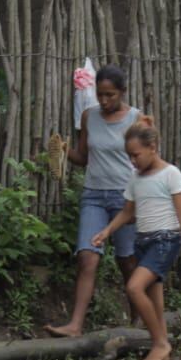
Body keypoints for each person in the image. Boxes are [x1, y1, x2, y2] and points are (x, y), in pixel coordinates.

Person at [91, 120, 181, 360]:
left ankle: (160, 344)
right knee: (156, 307)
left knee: (134, 288)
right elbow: (128, 212)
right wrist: (107, 231)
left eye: (136, 155)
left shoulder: (171, 174)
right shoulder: (135, 178)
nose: (133, 161)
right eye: (129, 156)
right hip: (144, 242)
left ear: (153, 148)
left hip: (165, 241)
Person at [45, 66, 140, 337]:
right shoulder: (89, 117)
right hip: (94, 195)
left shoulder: (136, 119)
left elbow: (145, 160)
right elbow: (84, 157)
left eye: (110, 95)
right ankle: (75, 325)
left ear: (122, 92)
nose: (104, 100)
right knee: (87, 257)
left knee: (128, 261)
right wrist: (64, 150)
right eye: (100, 95)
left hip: (126, 198)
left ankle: (138, 321)